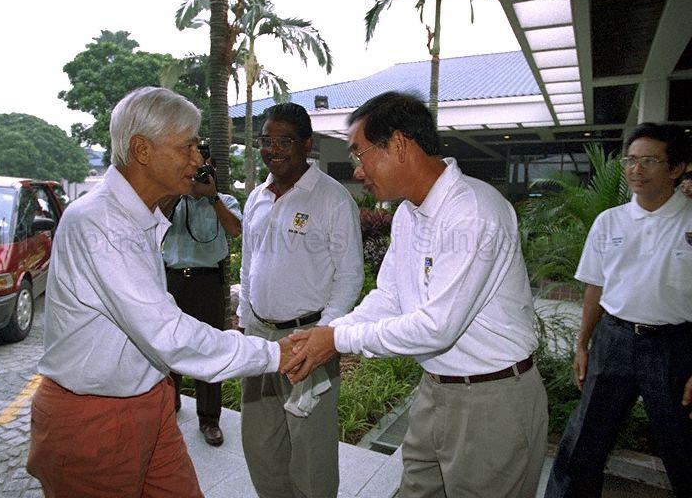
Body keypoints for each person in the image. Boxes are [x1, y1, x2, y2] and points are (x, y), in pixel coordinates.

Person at [26, 87, 294, 497]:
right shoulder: (100, 222)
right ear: (142, 150)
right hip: (95, 419)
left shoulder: (140, 217)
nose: (198, 160)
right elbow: (168, 334)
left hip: (149, 403)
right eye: (187, 146)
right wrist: (275, 354)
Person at [285, 91, 549, 498]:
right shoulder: (409, 214)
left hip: (491, 400)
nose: (358, 170)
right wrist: (328, 333)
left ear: (398, 145)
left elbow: (436, 327)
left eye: (360, 154)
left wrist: (336, 340)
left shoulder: (473, 212)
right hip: (435, 390)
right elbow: (389, 297)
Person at [544, 122, 692, 498]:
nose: (636, 170)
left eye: (650, 161)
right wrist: (582, 344)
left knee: (683, 446)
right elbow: (595, 286)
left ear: (677, 168)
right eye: (630, 160)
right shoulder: (609, 221)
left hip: (675, 346)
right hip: (614, 341)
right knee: (583, 441)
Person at [237, 102, 364, 498]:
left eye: (284, 141)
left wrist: (324, 335)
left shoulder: (332, 198)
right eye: (266, 141)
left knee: (311, 449)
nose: (273, 150)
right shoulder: (256, 197)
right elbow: (248, 264)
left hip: (306, 338)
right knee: (261, 442)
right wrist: (244, 320)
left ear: (307, 145)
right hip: (260, 336)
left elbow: (350, 275)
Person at [161, 152, 242, 447]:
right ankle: (169, 405)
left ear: (214, 170)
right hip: (173, 280)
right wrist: (178, 189)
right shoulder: (173, 199)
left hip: (209, 282)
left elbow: (235, 229)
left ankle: (209, 419)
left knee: (209, 349)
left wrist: (212, 197)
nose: (198, 174)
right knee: (169, 345)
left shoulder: (225, 200)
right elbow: (154, 221)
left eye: (204, 168)